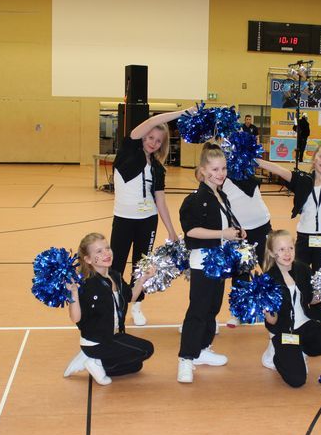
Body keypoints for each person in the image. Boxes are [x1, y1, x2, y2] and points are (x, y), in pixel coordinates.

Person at [256, 133, 321, 322]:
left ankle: (317, 322)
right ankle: (298, 316)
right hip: (303, 238)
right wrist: (255, 160)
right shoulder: (302, 180)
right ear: (314, 158)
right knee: (298, 276)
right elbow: (279, 170)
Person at [110, 109, 188, 327]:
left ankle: (136, 305)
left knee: (142, 265)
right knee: (116, 265)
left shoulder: (157, 168)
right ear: (143, 136)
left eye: (158, 140)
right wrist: (184, 112)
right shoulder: (127, 151)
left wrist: (171, 229)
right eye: (150, 137)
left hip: (147, 221)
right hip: (123, 219)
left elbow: (160, 200)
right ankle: (116, 306)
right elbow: (153, 120)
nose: (153, 143)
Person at [177, 144, 245, 383]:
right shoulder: (195, 199)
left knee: (212, 308)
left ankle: (202, 349)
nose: (220, 173)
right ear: (203, 170)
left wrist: (236, 232)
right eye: (215, 169)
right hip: (203, 262)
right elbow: (192, 231)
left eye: (223, 168)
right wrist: (222, 234)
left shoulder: (222, 196)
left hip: (220, 261)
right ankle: (186, 359)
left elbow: (224, 226)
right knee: (198, 310)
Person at [64, 233, 155, 385]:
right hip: (97, 342)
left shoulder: (115, 276)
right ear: (88, 259)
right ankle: (94, 361)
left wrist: (143, 278)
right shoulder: (87, 284)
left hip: (112, 337)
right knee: (147, 349)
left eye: (107, 248)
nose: (106, 253)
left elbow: (130, 297)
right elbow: (75, 318)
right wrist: (73, 293)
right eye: (99, 251)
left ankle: (91, 360)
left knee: (136, 365)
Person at [261, 230, 321, 387]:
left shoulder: (302, 269)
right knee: (297, 380)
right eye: (281, 249)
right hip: (284, 331)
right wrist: (267, 312)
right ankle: (274, 353)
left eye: (290, 248)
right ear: (271, 253)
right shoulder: (268, 279)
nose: (287, 253)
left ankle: (300, 349)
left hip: (304, 324)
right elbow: (273, 321)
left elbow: (310, 299)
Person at [220, 172, 272, 327]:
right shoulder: (220, 177)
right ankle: (239, 312)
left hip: (262, 227)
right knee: (240, 272)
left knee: (271, 270)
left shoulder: (245, 171)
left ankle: (278, 312)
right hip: (239, 231)